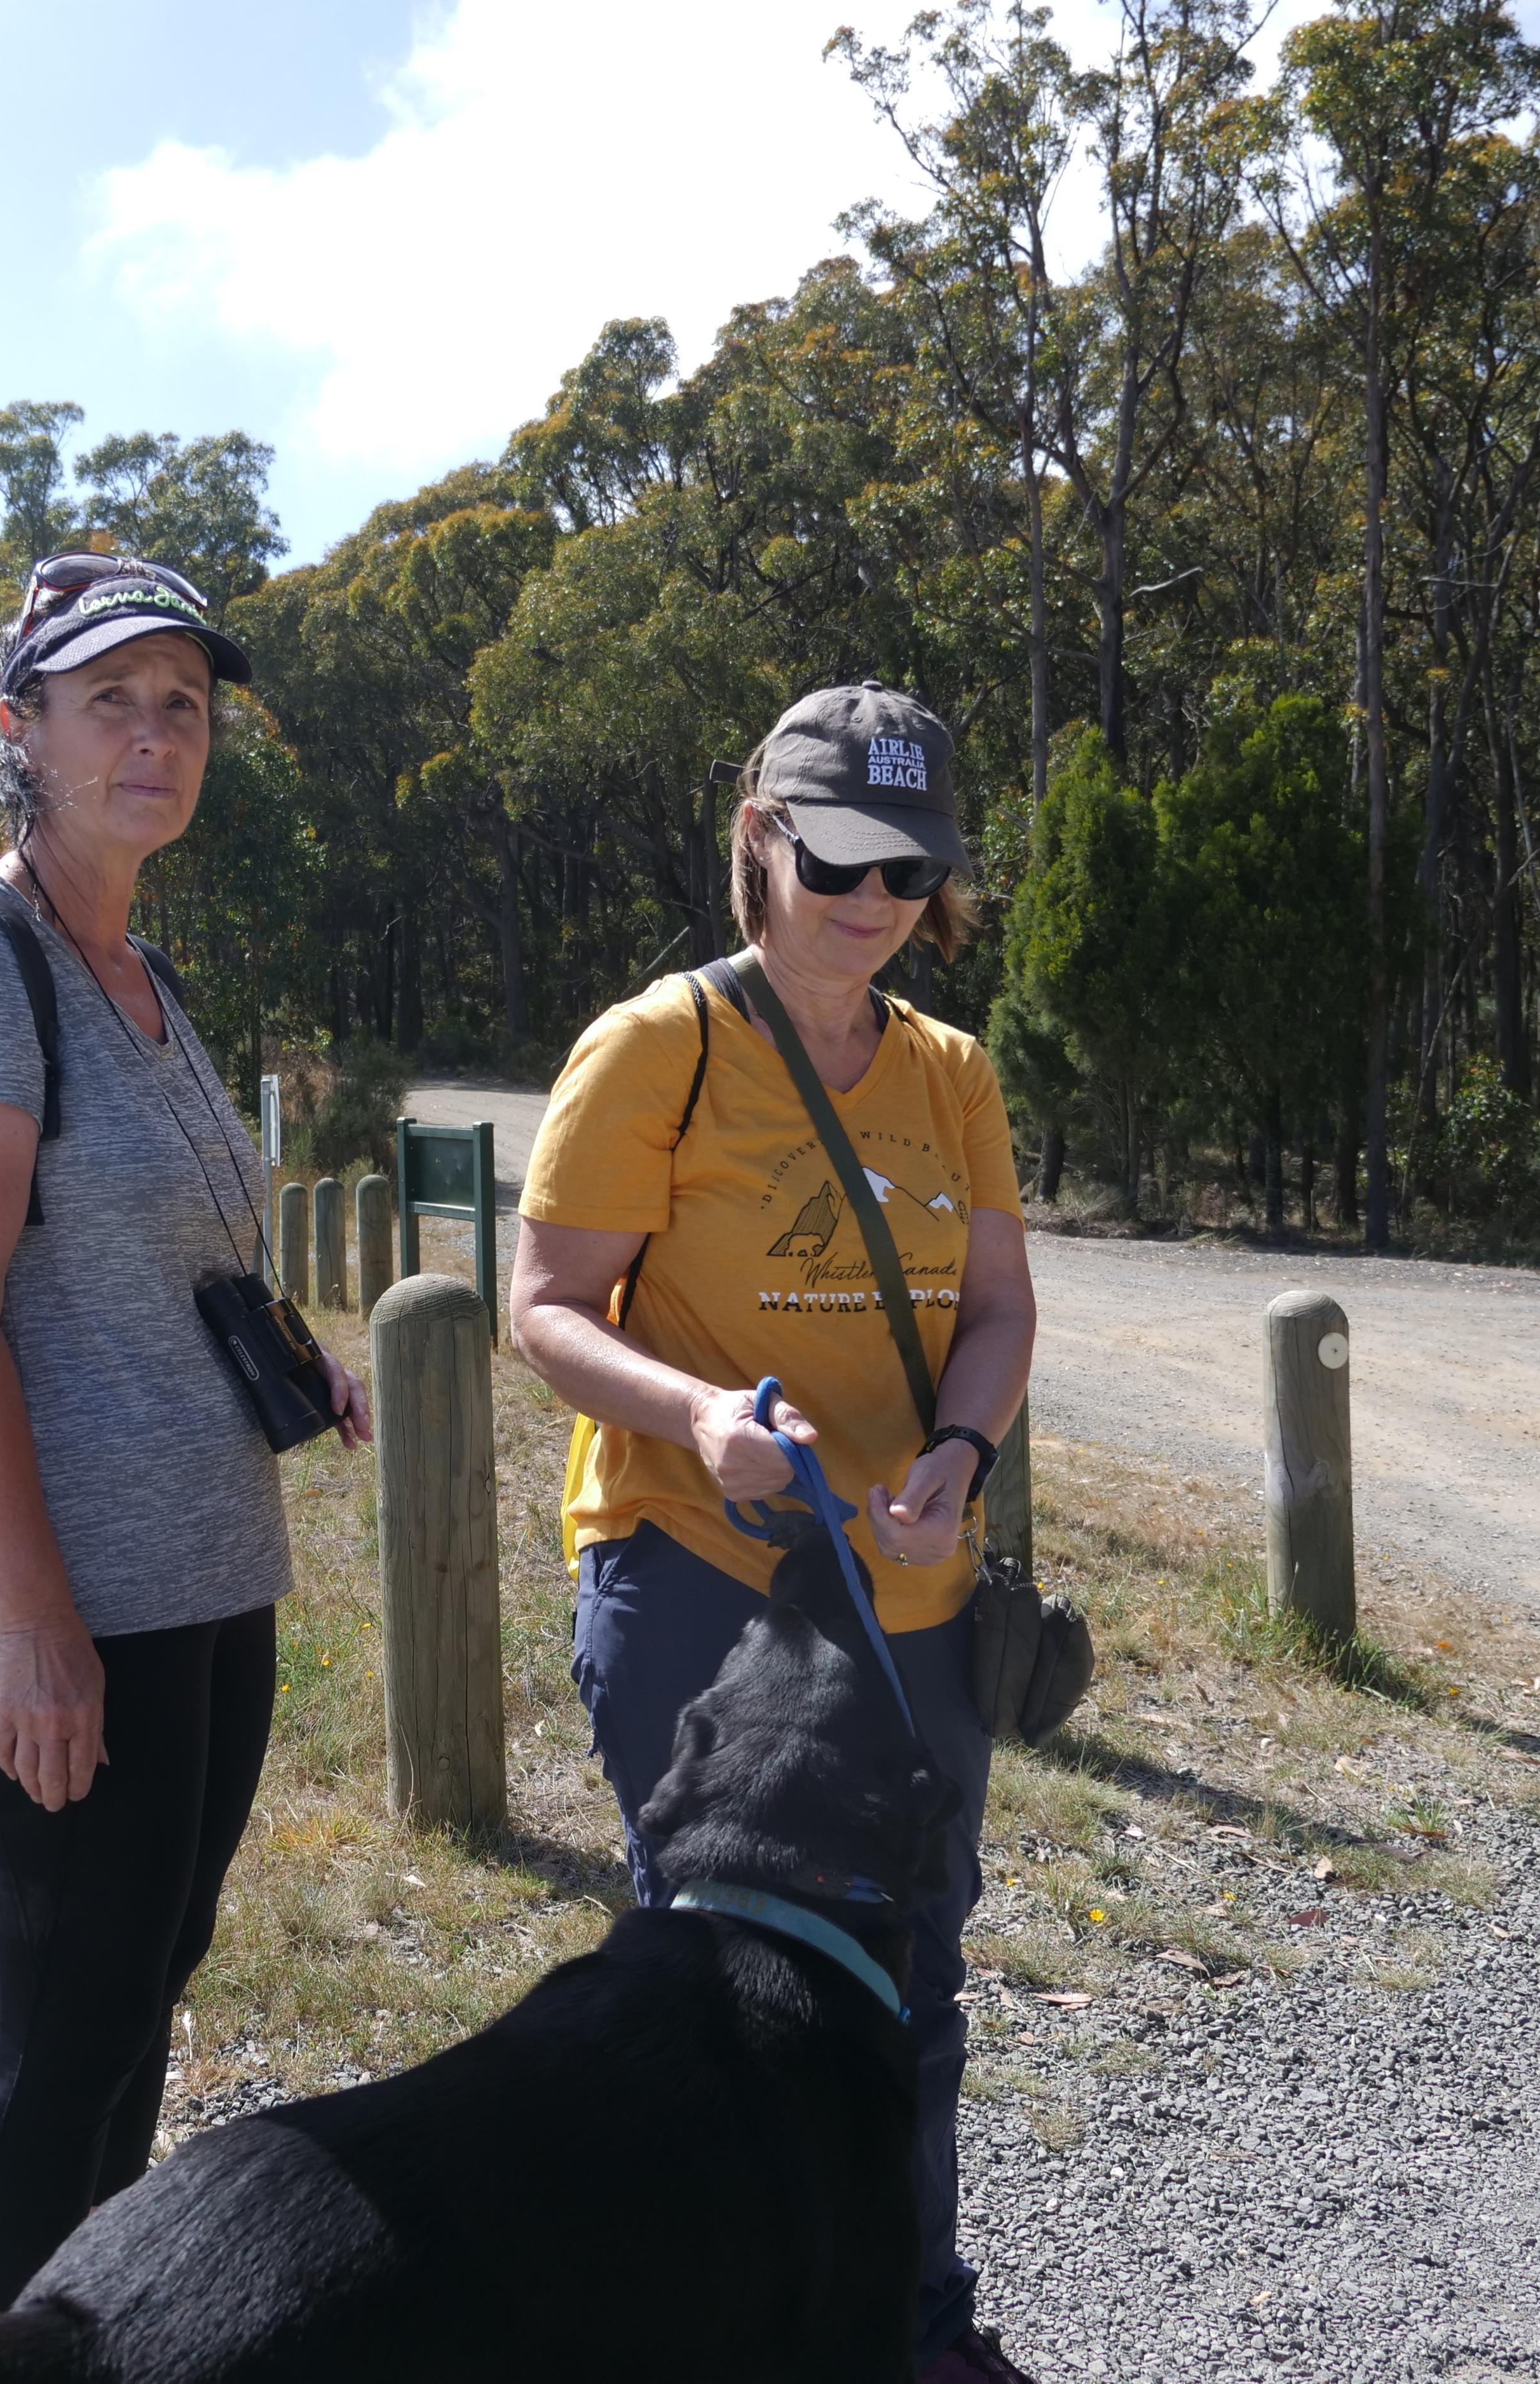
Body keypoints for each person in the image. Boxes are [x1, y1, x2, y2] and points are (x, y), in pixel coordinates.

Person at [507, 682, 1040, 2384]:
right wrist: (698, 1419)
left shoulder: (951, 1073)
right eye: (841, 863)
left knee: (916, 1990)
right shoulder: (658, 1047)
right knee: (722, 2006)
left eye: (910, 873)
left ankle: (911, 2321)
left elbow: (1003, 1310)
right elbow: (546, 1309)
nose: (875, 904)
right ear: (762, 836)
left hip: (911, 1594)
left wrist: (963, 1445)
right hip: (701, 1587)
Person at [0, 553, 372, 2321]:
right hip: (75, 1600)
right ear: (22, 731)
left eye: (186, 705)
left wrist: (303, 1367)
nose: (159, 737)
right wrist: (37, 1622)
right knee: (69, 2029)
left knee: (149, 1980)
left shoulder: (141, 970)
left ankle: (93, 2347)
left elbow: (190, 1255)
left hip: (211, 1577)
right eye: (111, 704)